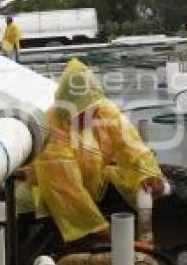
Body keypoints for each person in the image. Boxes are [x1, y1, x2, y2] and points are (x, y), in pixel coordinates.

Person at [26, 58, 165, 242]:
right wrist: (101, 229)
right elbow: (66, 189)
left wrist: (150, 174)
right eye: (82, 113)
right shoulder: (53, 128)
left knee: (140, 182)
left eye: (92, 110)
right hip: (54, 197)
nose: (90, 117)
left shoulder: (101, 110)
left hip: (95, 181)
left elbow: (130, 145)